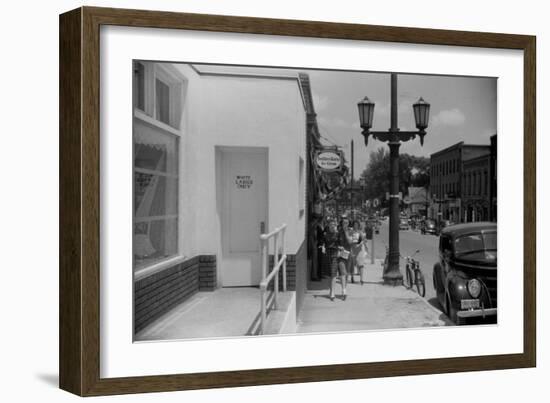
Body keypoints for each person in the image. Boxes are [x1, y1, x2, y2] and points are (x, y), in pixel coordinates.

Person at [320, 218, 349, 301]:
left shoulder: (339, 233)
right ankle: (332, 292)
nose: (333, 226)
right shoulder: (326, 234)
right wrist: (322, 247)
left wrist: (341, 248)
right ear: (328, 225)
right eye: (331, 224)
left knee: (342, 273)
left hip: (340, 254)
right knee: (333, 273)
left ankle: (343, 291)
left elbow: (342, 243)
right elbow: (322, 242)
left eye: (334, 224)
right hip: (332, 254)